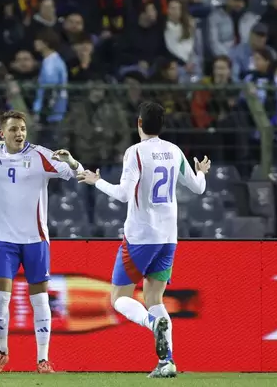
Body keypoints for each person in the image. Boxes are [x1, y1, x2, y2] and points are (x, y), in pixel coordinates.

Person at [77, 102, 210, 378]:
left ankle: (151, 324)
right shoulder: (174, 151)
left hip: (140, 237)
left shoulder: (135, 152)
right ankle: (167, 361)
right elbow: (198, 188)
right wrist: (202, 172)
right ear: (162, 125)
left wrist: (95, 181)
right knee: (155, 297)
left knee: (119, 298)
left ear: (139, 123)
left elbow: (124, 194)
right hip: (168, 238)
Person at [0, 110, 83, 374]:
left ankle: (43, 359)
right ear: (2, 133)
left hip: (35, 240)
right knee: (0, 299)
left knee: (39, 301)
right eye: (14, 129)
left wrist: (72, 162)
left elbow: (77, 174)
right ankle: (1, 352)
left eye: (23, 129)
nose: (19, 134)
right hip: (4, 240)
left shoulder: (41, 155)